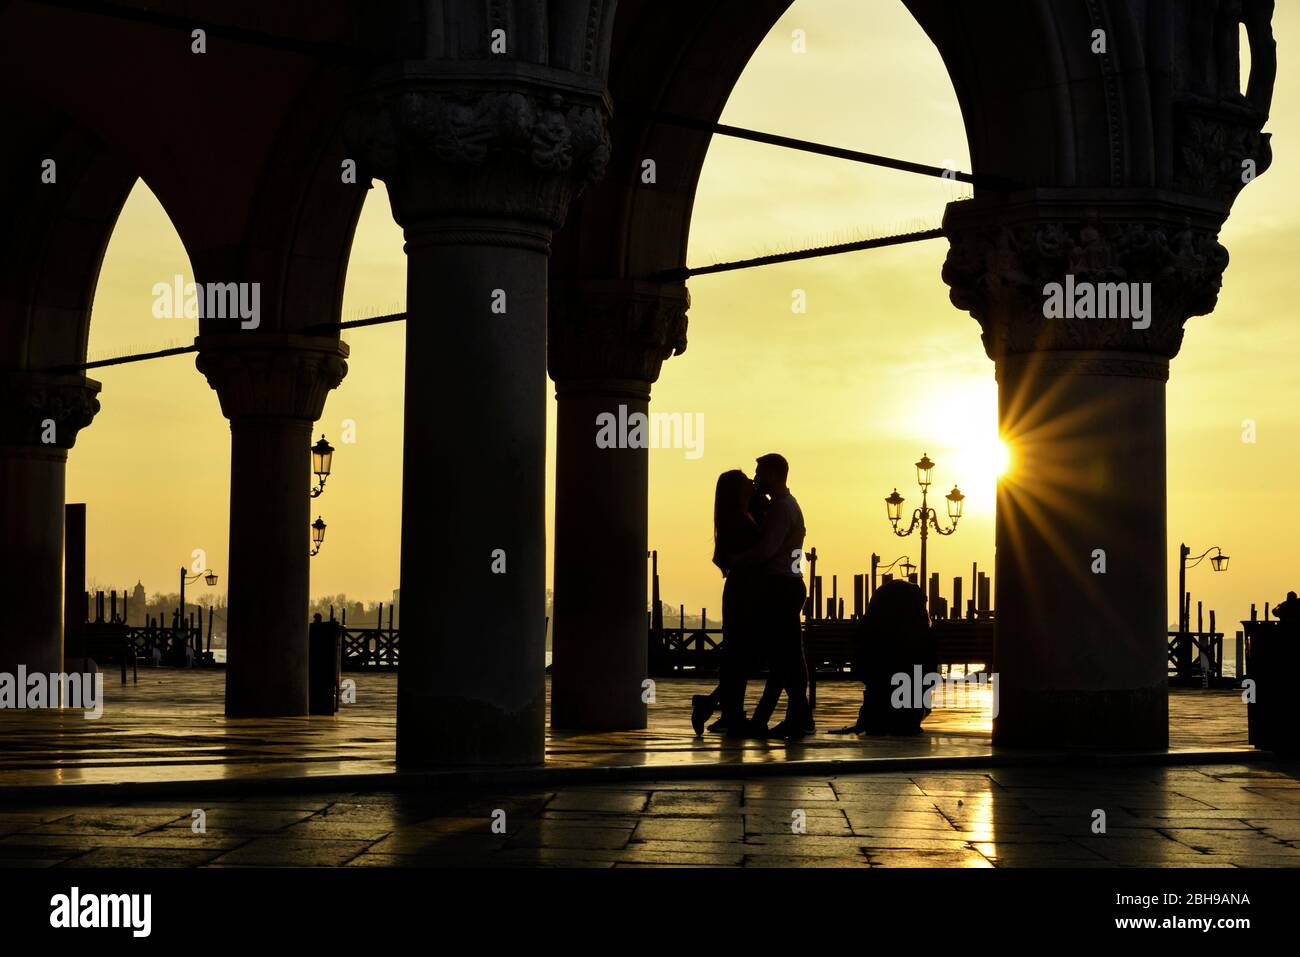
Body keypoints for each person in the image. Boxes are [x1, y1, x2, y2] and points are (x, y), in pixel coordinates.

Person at [729, 453, 813, 740]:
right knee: (785, 657)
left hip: (781, 587)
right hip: (788, 584)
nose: (755, 477)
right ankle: (787, 718)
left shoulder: (780, 510)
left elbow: (767, 550)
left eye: (759, 472)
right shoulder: (787, 506)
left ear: (774, 475)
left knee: (784, 657)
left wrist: (737, 561)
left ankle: (798, 718)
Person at [692, 470, 763, 734]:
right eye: (746, 480)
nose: (751, 483)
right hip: (742, 591)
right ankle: (727, 711)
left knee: (742, 654)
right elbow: (743, 556)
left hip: (747, 589)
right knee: (740, 654)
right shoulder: (736, 521)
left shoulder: (748, 514)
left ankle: (717, 706)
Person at [828, 579, 937, 735]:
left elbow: (863, 672)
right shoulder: (924, 635)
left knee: (878, 682)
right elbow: (930, 676)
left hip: (877, 713)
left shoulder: (871, 632)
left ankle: (870, 720)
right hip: (911, 715)